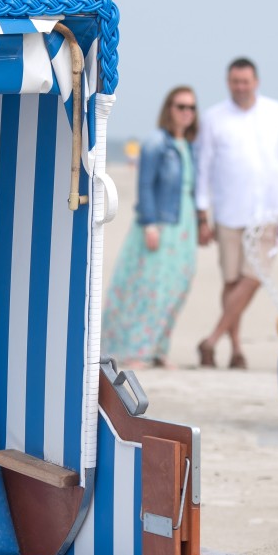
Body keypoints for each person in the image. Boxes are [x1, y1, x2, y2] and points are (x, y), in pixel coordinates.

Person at [195, 58, 278, 369]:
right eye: (235, 81)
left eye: (245, 81)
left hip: (268, 212)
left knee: (255, 277)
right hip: (229, 212)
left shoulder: (277, 112)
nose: (240, 87)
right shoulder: (214, 118)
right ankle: (236, 349)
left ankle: (212, 339)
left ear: (256, 81)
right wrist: (202, 215)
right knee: (231, 281)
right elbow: (204, 169)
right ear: (228, 82)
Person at [102, 87, 201, 369]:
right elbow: (145, 184)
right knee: (148, 289)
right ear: (168, 107)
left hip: (184, 226)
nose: (186, 113)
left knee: (174, 289)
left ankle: (159, 348)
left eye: (191, 108)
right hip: (160, 223)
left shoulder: (189, 145)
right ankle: (135, 351)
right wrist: (150, 224)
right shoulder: (157, 142)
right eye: (180, 106)